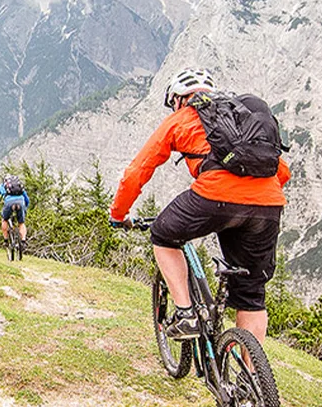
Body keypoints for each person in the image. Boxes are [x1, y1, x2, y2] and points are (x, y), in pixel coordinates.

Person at [109, 68, 290, 344]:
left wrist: (118, 214)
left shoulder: (181, 118)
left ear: (179, 99)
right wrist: (254, 197)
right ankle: (251, 381)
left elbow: (137, 171)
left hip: (214, 196)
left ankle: (186, 314)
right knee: (252, 296)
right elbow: (282, 171)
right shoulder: (242, 117)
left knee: (163, 234)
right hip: (268, 204)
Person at [0, 174, 30, 248]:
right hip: (21, 202)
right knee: (21, 223)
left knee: (4, 220)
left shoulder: (2, 187)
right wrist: (25, 208)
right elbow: (27, 199)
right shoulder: (19, 187)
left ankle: (6, 241)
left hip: (9, 203)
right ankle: (23, 241)